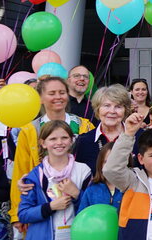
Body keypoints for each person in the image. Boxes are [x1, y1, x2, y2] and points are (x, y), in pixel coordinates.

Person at [10, 76, 95, 225]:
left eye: (62, 92)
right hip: (42, 200)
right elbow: (21, 169)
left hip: (78, 197)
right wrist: (16, 214)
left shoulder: (84, 126)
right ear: (41, 98)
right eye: (52, 93)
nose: (58, 97)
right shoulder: (30, 130)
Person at [74, 84, 130, 173]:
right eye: (107, 106)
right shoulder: (83, 141)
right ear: (97, 109)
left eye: (118, 106)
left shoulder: (139, 137)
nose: (112, 111)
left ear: (125, 110)